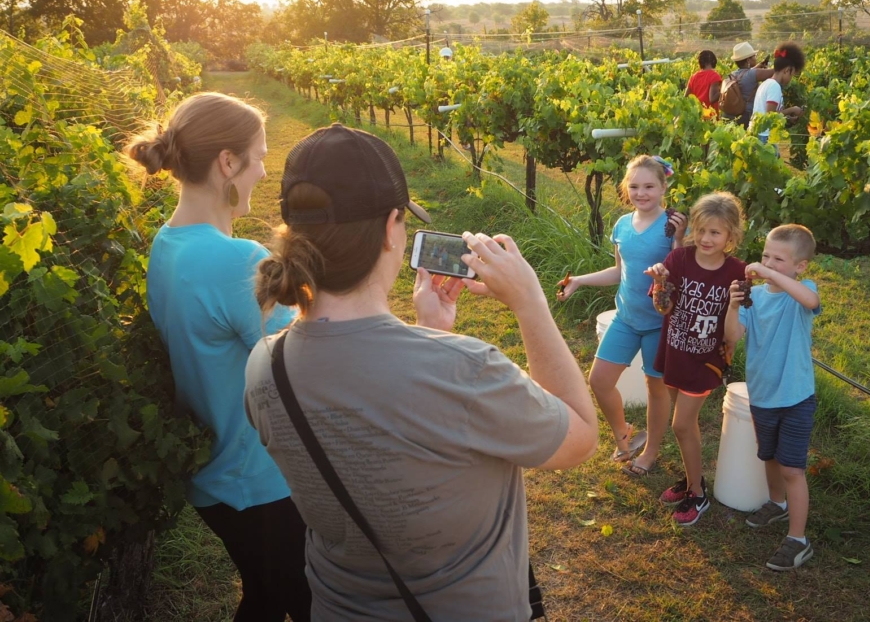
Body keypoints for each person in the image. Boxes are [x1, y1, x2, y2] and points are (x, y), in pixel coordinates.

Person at [244, 123, 597, 621]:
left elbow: (371, 423)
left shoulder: (264, 365)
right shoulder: (464, 370)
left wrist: (430, 332)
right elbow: (580, 436)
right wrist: (530, 303)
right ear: (392, 227)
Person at [126, 92, 311, 622]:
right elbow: (315, 357)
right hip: (262, 482)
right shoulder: (236, 260)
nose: (262, 171)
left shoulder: (167, 243)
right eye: (259, 157)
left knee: (265, 598)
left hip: (216, 480)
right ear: (227, 162)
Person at [557, 155, 687, 476]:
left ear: (663, 187)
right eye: (634, 186)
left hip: (659, 322)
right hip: (627, 318)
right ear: (625, 189)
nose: (641, 193)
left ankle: (651, 451)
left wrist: (680, 240)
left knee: (655, 388)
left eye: (649, 186)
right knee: (599, 380)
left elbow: (680, 276)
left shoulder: (670, 228)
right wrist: (579, 281)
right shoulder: (621, 226)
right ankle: (624, 434)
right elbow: (618, 272)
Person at [645, 192, 746, 527]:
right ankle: (693, 480)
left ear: (731, 236)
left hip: (706, 363)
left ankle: (699, 496)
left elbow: (734, 334)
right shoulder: (679, 260)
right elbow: (663, 309)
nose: (705, 238)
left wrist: (733, 304)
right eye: (701, 230)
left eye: (715, 233)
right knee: (685, 427)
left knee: (682, 425)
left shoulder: (737, 273)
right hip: (675, 353)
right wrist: (660, 282)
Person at [725, 224, 820, 571]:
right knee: (769, 456)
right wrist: (733, 307)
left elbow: (811, 300)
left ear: (800, 267)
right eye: (765, 255)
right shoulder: (756, 297)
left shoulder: (802, 293)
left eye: (778, 259)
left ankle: (798, 539)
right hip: (762, 395)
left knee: (792, 468)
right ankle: (777, 504)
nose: (766, 263)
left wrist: (767, 272)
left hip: (795, 397)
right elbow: (732, 336)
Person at [750, 42, 806, 150]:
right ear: (787, 70)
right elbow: (771, 114)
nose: (791, 79)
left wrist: (788, 118)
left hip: (758, 134)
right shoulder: (774, 86)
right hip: (764, 137)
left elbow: (772, 115)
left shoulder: (766, 83)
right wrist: (792, 109)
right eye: (792, 74)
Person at [727, 41, 775, 128]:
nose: (756, 58)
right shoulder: (753, 74)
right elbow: (775, 72)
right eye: (754, 56)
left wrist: (757, 66)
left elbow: (746, 73)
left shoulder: (733, 74)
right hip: (745, 117)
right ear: (748, 60)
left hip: (730, 116)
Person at [686, 49, 722, 114]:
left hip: (697, 114)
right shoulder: (715, 76)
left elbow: (686, 96)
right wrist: (723, 91)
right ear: (713, 61)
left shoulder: (694, 76)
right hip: (710, 115)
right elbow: (712, 99)